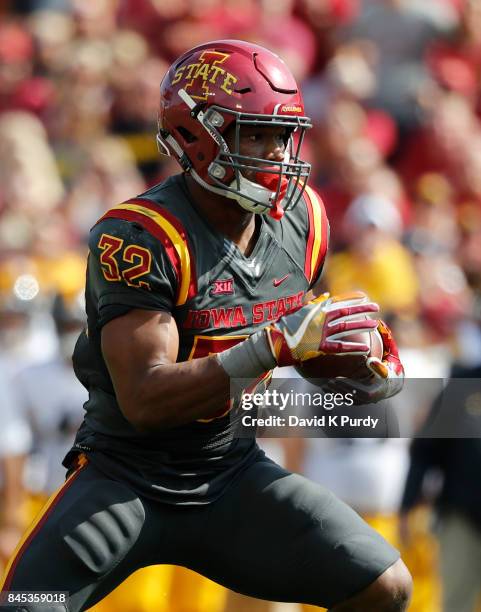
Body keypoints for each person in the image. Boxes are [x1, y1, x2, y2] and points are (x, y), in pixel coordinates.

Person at [0, 39, 412, 611]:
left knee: (384, 585)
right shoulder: (140, 235)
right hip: (127, 476)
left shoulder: (304, 220)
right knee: (29, 606)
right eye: (256, 135)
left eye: (283, 134)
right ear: (195, 136)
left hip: (230, 467)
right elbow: (145, 397)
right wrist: (271, 346)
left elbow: (300, 350)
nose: (277, 153)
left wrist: (350, 368)